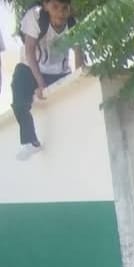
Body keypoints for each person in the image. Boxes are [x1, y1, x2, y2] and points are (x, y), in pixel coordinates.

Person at [11, 0, 84, 160]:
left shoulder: (73, 23)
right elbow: (29, 51)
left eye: (64, 8)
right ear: (45, 6)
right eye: (55, 7)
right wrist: (40, 84)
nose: (60, 13)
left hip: (59, 73)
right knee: (19, 92)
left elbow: (79, 53)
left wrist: (80, 79)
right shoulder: (35, 17)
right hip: (32, 69)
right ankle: (30, 141)